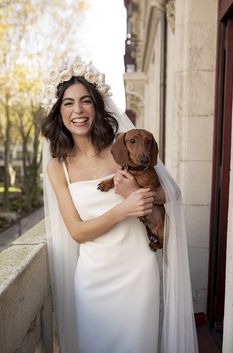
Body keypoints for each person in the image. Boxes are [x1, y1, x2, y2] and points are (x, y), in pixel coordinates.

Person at [41, 57, 199, 353]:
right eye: (68, 103)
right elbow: (77, 231)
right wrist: (123, 209)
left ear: (97, 106)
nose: (78, 111)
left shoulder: (122, 147)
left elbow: (172, 193)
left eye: (86, 101)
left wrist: (138, 193)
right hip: (92, 280)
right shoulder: (56, 168)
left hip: (138, 272)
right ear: (58, 112)